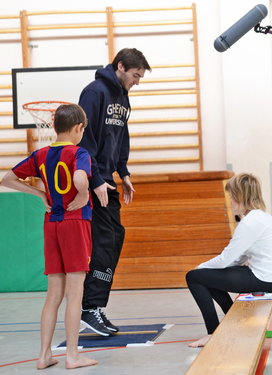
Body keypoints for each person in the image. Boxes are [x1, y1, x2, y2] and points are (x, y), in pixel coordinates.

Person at [1, 104, 97, 369]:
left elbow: (7, 179)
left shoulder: (40, 154)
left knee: (53, 294)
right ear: (79, 128)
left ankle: (44, 355)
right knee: (75, 294)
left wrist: (40, 194)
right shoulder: (79, 152)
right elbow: (79, 178)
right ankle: (72, 356)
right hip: (75, 223)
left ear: (55, 128)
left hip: (51, 224)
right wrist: (84, 194)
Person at [78, 48, 151, 336]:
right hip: (95, 181)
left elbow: (121, 136)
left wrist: (125, 172)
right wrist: (94, 179)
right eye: (135, 75)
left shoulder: (122, 96)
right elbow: (83, 139)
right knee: (105, 242)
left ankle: (95, 306)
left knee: (115, 239)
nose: (137, 81)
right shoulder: (94, 92)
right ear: (120, 66)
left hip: (109, 179)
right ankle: (89, 307)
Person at [185, 173, 272, 348]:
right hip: (270, 278)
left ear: (241, 197)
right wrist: (206, 271)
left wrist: (200, 269)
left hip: (262, 280)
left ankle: (212, 333)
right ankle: (232, 321)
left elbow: (225, 260)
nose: (230, 201)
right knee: (206, 277)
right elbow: (239, 258)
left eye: (232, 196)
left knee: (193, 277)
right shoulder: (261, 218)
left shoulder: (249, 223)